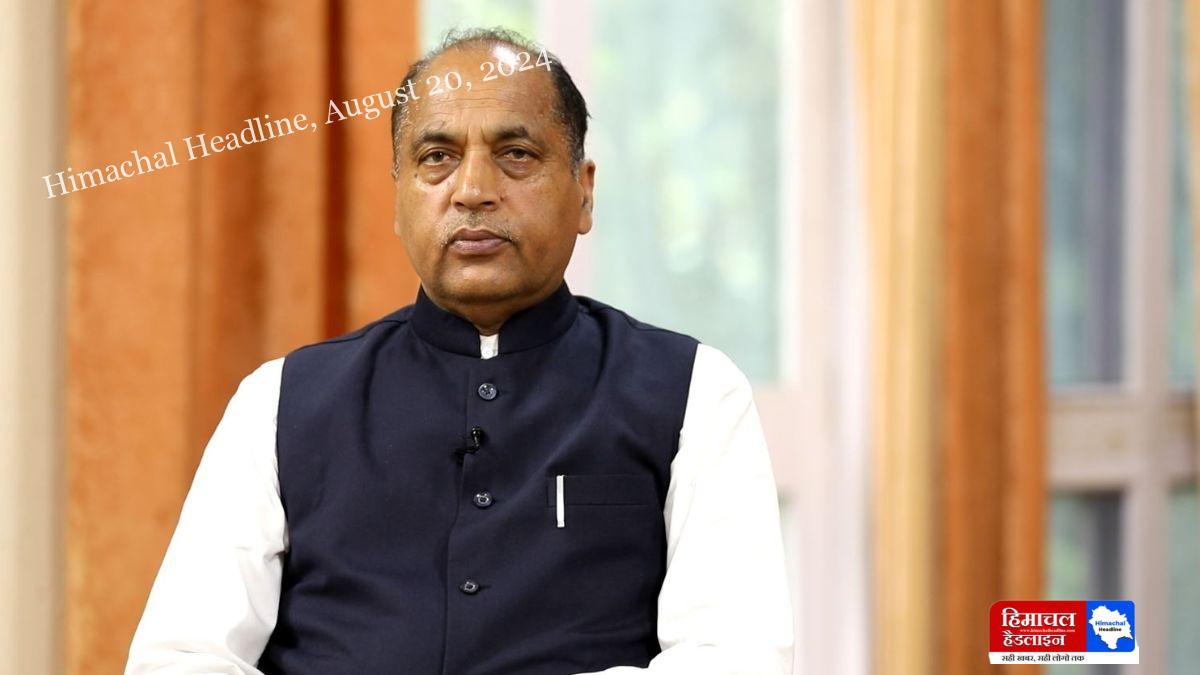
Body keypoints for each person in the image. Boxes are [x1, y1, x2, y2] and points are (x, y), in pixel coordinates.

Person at [125, 28, 793, 675]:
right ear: (398, 198)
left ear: (585, 191)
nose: (473, 189)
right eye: (437, 157)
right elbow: (180, 658)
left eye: (516, 154)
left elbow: (737, 657)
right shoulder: (279, 402)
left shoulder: (694, 392)